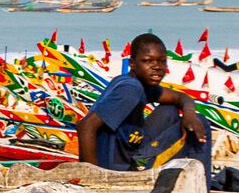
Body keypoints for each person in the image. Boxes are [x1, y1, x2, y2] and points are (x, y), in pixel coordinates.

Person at [79, 33, 207, 173]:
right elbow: (86, 126)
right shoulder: (130, 89)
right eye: (148, 61)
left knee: (170, 111)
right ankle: (201, 188)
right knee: (202, 123)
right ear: (133, 64)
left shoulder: (138, 84)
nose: (157, 67)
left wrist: (189, 114)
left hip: (132, 152)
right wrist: (93, 177)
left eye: (162, 61)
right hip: (116, 171)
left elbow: (181, 98)